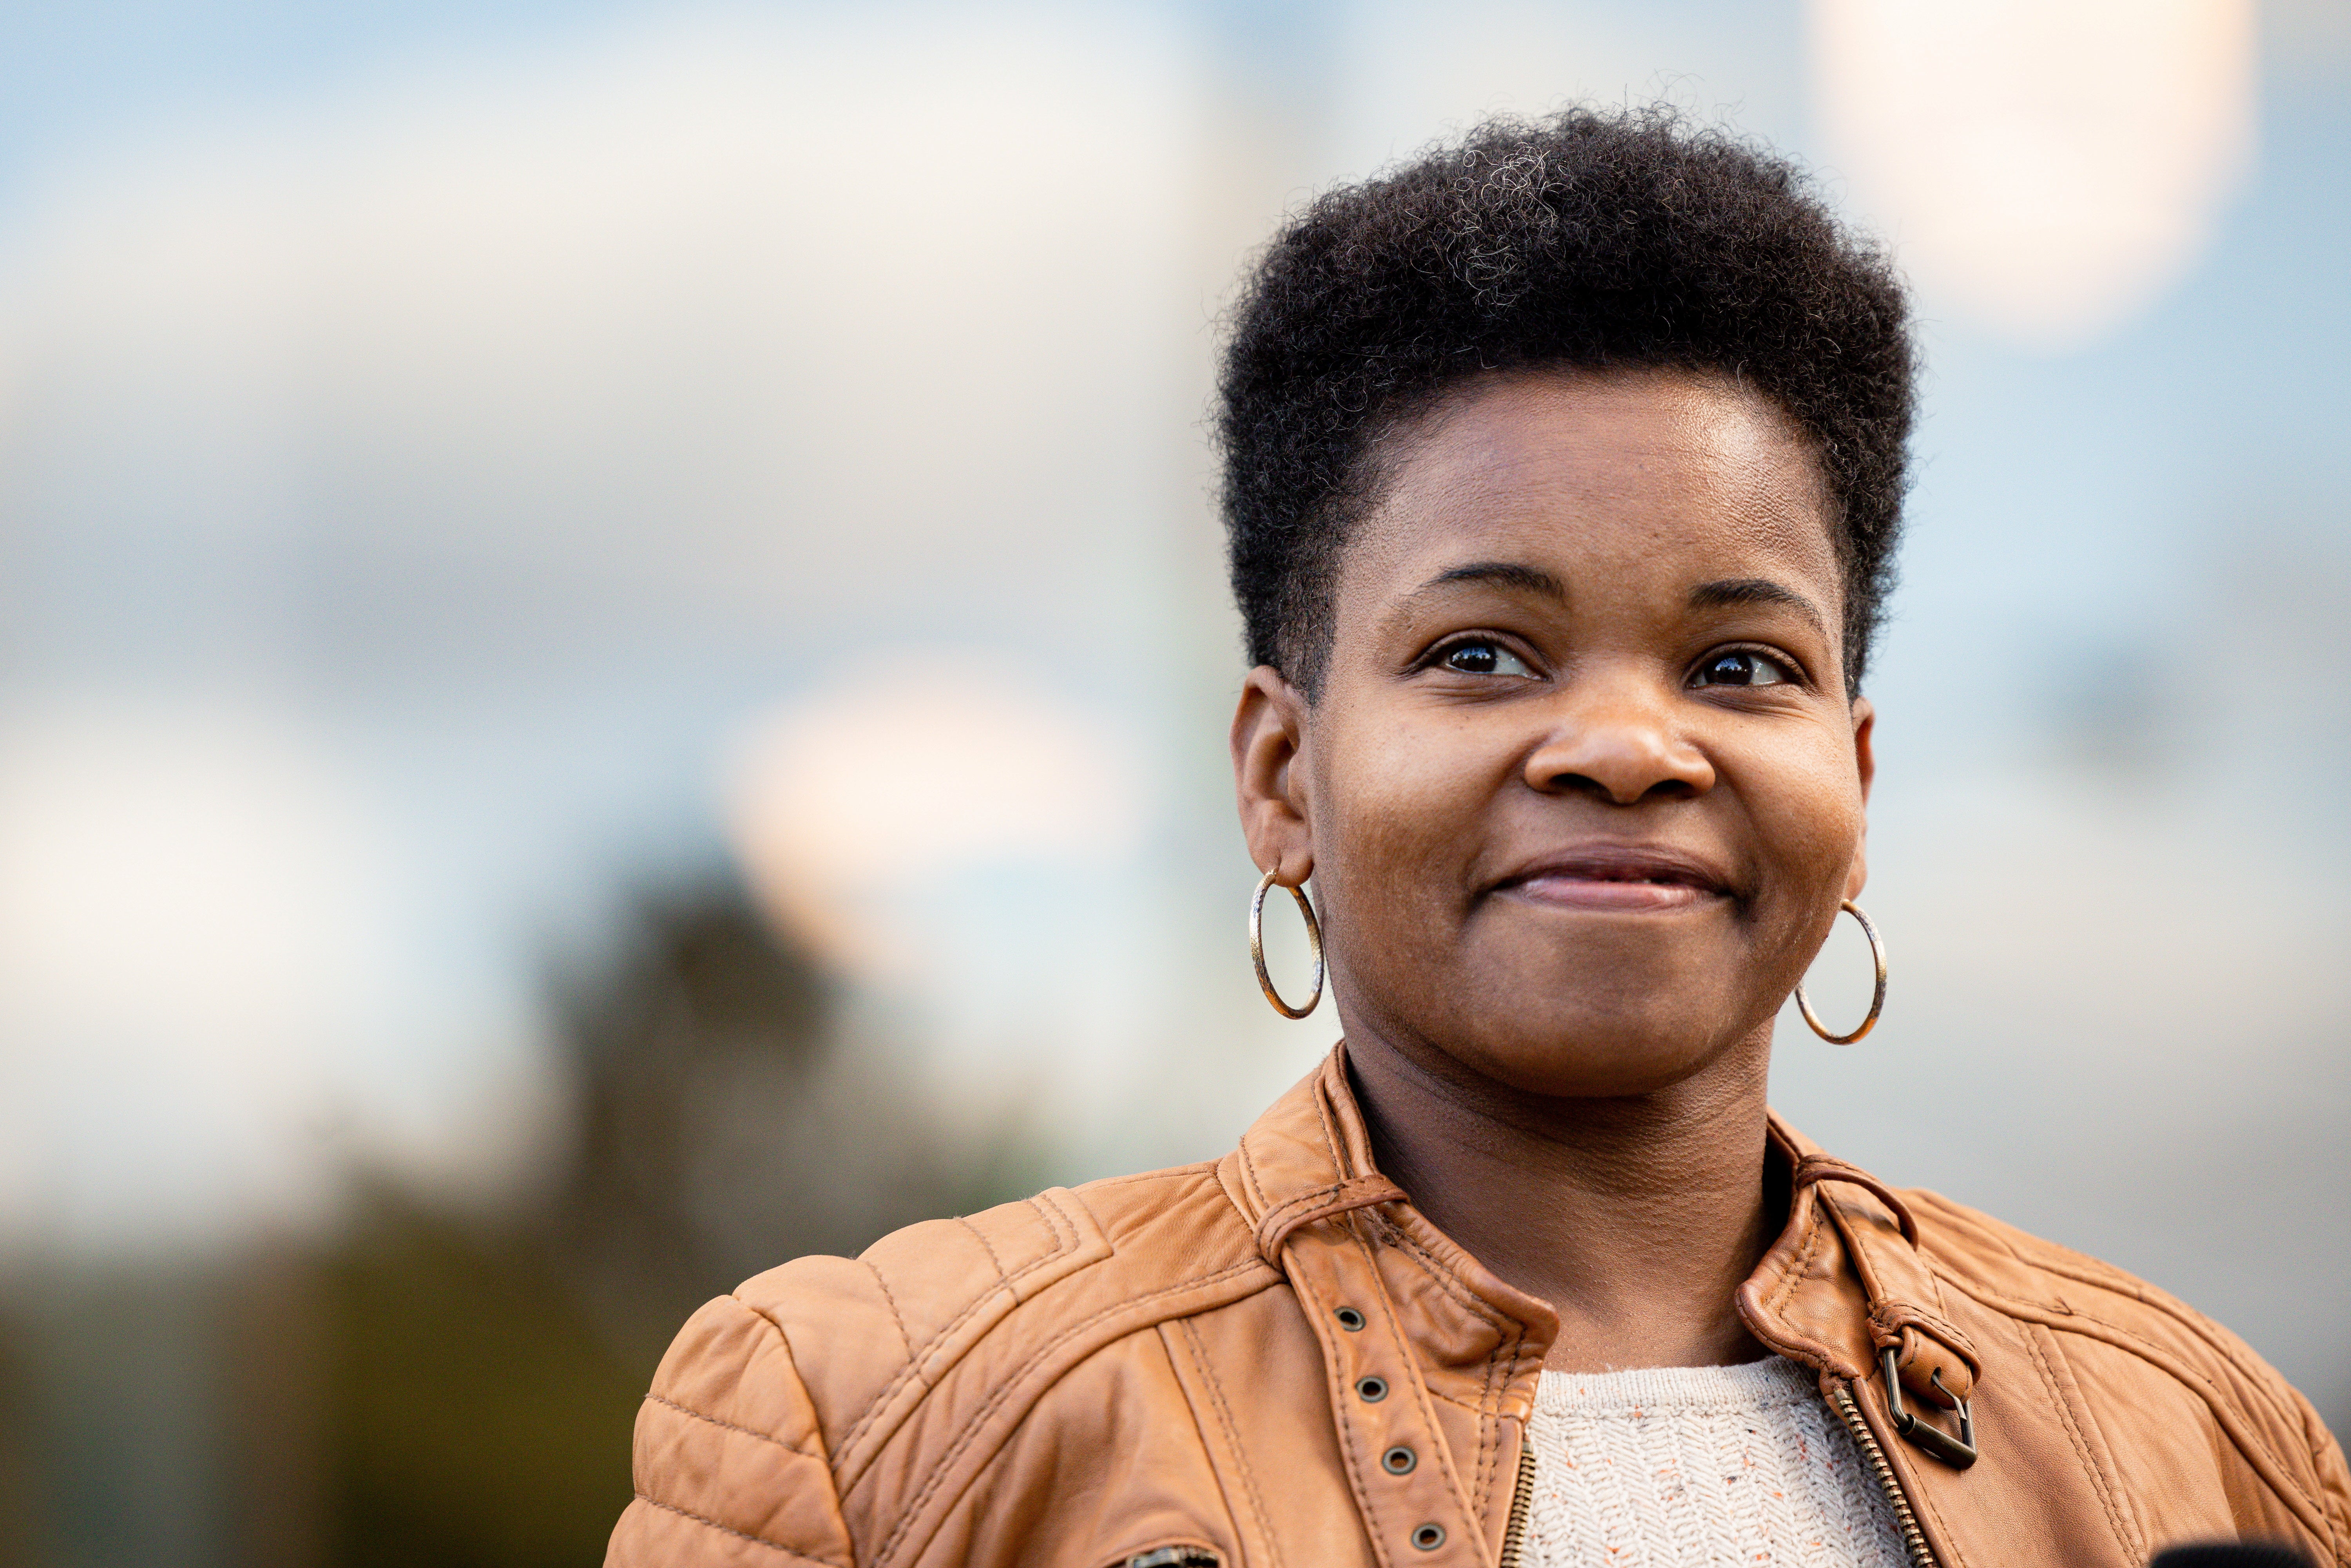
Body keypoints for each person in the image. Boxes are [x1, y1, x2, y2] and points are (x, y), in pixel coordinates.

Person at [605, 108, 2351, 1568]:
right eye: (1480, 653)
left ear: (1857, 777)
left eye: (1741, 663)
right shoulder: (883, 1426)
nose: (1623, 743)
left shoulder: (2197, 1444)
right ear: (1284, 773)